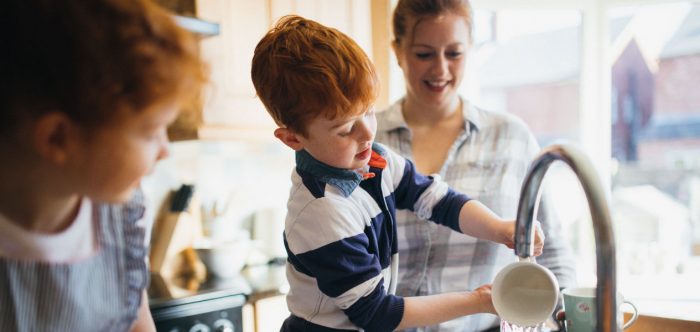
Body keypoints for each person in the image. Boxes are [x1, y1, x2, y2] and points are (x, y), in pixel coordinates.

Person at [250, 15, 544, 332]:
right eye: (346, 129)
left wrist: (499, 228)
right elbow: (379, 314)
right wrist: (479, 300)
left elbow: (439, 201)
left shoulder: (372, 160)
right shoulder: (321, 213)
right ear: (293, 138)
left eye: (369, 111)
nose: (367, 133)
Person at [0, 0, 206, 331]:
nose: (165, 150)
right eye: (151, 132)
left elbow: (137, 323)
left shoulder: (118, 220)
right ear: (57, 139)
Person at [374, 0, 577, 331]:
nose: (440, 70)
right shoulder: (364, 140)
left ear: (470, 50)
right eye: (424, 54)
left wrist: (560, 317)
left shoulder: (511, 138)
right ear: (398, 51)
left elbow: (552, 251)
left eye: (454, 54)